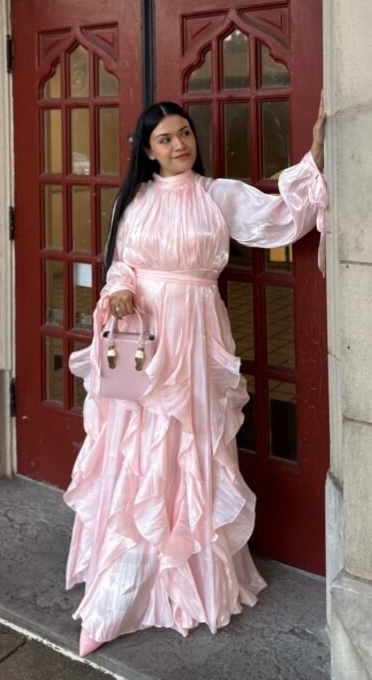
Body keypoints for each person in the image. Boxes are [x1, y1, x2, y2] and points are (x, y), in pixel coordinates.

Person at [64, 97, 327, 657]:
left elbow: (283, 216)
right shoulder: (132, 201)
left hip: (198, 338)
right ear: (148, 150)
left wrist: (317, 152)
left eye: (184, 133)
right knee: (137, 453)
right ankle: (117, 595)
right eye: (165, 138)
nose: (179, 144)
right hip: (142, 338)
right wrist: (120, 292)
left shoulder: (218, 195)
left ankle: (191, 587)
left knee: (193, 450)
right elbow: (119, 265)